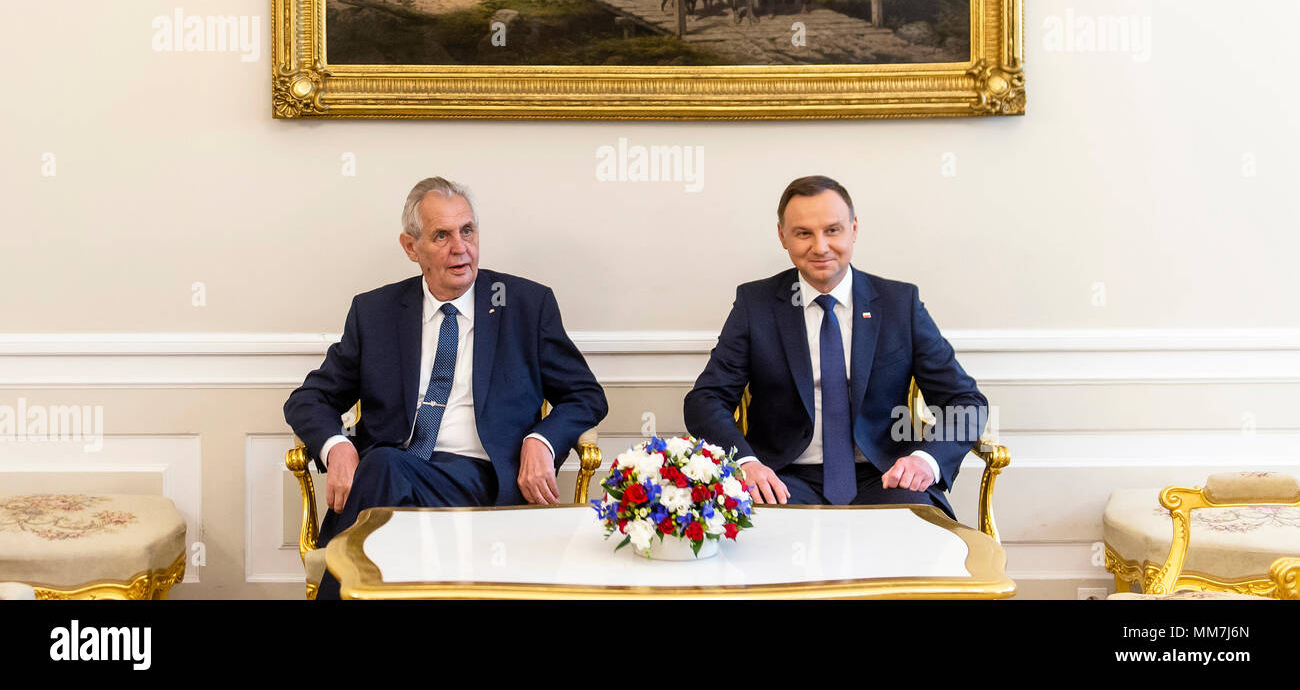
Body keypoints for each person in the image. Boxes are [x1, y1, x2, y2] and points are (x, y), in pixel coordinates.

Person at [284, 177, 608, 599]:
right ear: (410, 247)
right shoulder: (375, 312)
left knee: (381, 466)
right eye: (442, 235)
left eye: (467, 230)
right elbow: (310, 398)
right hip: (396, 479)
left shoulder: (525, 304)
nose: (461, 247)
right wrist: (336, 447)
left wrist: (541, 440)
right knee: (385, 468)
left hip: (484, 477)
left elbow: (586, 396)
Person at [683, 175, 987, 516]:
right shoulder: (756, 305)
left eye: (832, 230)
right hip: (783, 478)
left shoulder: (899, 303)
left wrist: (925, 460)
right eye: (803, 233)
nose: (820, 246)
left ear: (853, 229)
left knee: (918, 538)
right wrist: (747, 463)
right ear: (783, 235)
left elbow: (965, 401)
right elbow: (705, 399)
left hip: (885, 477)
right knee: (754, 537)